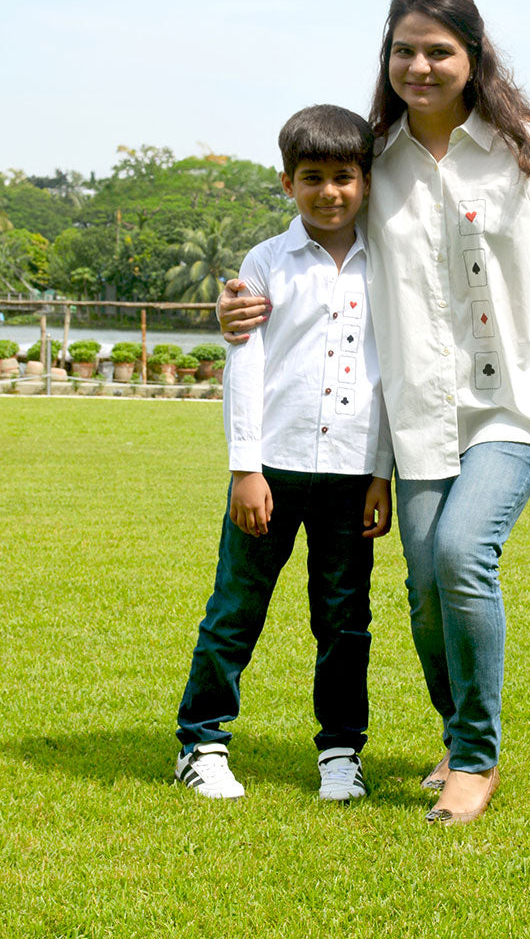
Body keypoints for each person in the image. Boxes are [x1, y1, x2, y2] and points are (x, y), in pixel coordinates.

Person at [219, 0, 530, 824]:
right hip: (421, 411)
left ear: (474, 55)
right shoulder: (378, 159)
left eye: (439, 50)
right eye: (405, 50)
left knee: (463, 553)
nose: (420, 66)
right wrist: (242, 302)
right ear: (387, 58)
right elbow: (318, 247)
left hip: (520, 399)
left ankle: (475, 756)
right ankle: (456, 730)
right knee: (426, 587)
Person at [175, 104, 393, 802]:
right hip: (271, 469)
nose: (330, 192)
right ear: (287, 183)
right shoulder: (266, 262)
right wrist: (245, 467)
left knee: (345, 620)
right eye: (312, 177)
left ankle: (341, 752)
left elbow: (391, 375)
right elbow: (245, 367)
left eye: (344, 177)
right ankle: (202, 743)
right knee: (236, 609)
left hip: (352, 474)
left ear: (366, 181)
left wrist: (381, 473)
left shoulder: (388, 265)